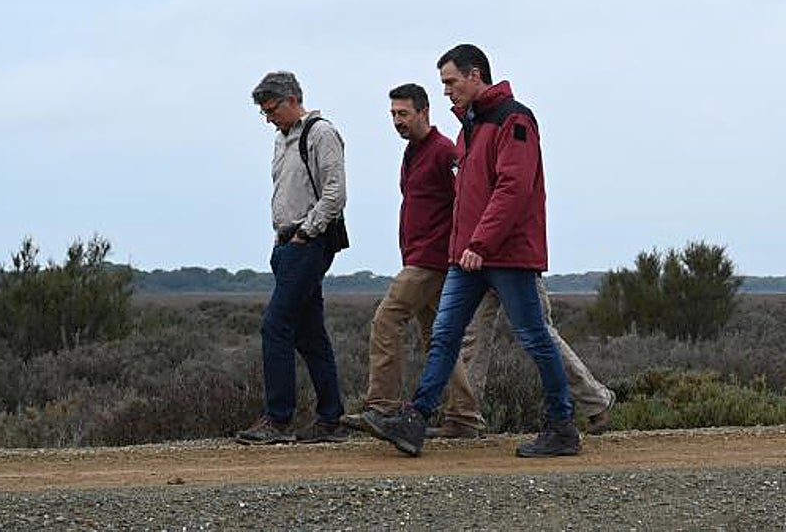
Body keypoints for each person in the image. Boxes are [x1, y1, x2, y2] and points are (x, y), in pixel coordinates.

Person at [362, 44, 581, 458]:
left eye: (451, 82)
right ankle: (415, 420)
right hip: (467, 257)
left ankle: (562, 426)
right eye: (443, 83)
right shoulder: (471, 127)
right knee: (444, 337)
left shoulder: (513, 119)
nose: (446, 91)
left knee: (534, 338)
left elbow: (512, 188)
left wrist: (480, 242)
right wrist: (463, 248)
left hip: (507, 255)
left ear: (475, 75)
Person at [341, 84, 483, 439]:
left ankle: (383, 407)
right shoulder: (413, 152)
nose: (397, 121)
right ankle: (465, 419)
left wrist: (467, 248)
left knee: (387, 319)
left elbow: (467, 199)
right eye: (393, 115)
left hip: (432, 260)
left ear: (424, 112)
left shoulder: (443, 151)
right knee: (439, 339)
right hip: (421, 256)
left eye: (403, 114)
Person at [236, 70, 348, 445]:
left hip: (307, 243)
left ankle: (278, 419)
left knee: (276, 326)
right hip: (286, 245)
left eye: (271, 110)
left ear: (292, 101)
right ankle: (331, 420)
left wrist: (306, 232)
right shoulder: (281, 140)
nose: (268, 118)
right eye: (264, 113)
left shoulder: (321, 133)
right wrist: (283, 238)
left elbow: (335, 193)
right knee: (310, 334)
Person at [461, 281, 616, 435]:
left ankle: (595, 401)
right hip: (478, 269)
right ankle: (466, 417)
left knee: (540, 335)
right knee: (472, 338)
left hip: (515, 267)